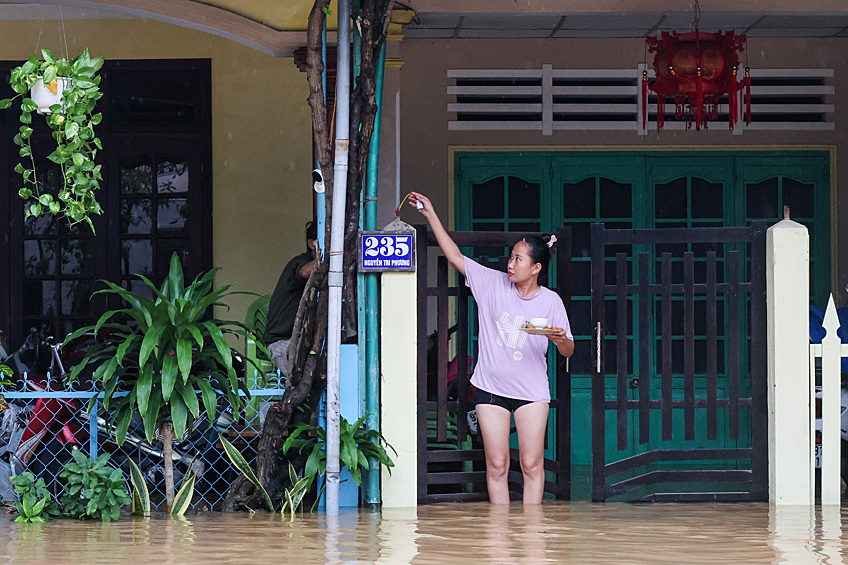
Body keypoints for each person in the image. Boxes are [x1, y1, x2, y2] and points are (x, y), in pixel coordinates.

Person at [408, 192, 574, 504]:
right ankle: (499, 541)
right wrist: (431, 215)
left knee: (531, 465)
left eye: (518, 259)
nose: (510, 264)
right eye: (511, 257)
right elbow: (456, 256)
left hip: (531, 392)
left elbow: (568, 351)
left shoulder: (551, 301)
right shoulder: (491, 283)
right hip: (490, 388)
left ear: (536, 267)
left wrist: (560, 339)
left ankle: (531, 537)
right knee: (497, 465)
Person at [264, 221, 319, 374]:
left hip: (306, 341)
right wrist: (333, 255)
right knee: (306, 354)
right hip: (281, 343)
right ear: (311, 244)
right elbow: (304, 272)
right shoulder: (299, 262)